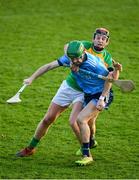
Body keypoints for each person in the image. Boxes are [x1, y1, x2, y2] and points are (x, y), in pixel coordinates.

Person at [64, 28, 122, 155]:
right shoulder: (84, 46)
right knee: (88, 120)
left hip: (101, 91)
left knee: (86, 120)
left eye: (103, 39)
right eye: (98, 38)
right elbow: (68, 46)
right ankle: (90, 142)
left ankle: (88, 145)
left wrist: (117, 71)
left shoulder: (106, 57)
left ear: (107, 42)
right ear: (93, 39)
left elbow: (111, 78)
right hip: (87, 90)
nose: (100, 41)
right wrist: (71, 61)